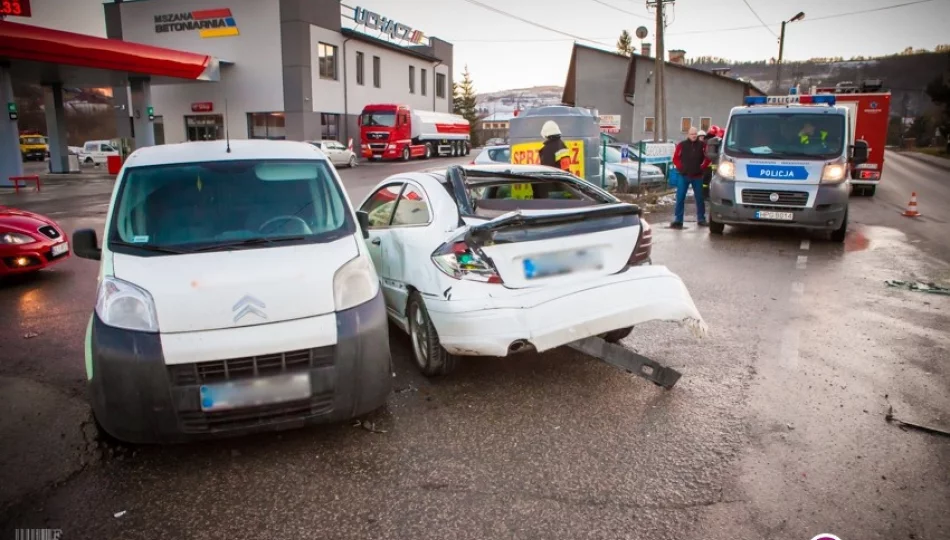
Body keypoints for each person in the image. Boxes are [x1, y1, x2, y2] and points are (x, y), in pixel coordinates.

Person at [670, 126, 709, 229]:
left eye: (695, 134)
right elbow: (675, 158)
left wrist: (702, 167)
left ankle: (701, 219)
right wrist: (681, 168)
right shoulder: (681, 145)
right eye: (692, 134)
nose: (694, 136)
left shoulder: (702, 145)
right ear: (688, 134)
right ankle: (678, 220)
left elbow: (708, 158)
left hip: (697, 176)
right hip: (684, 176)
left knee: (700, 198)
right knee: (680, 198)